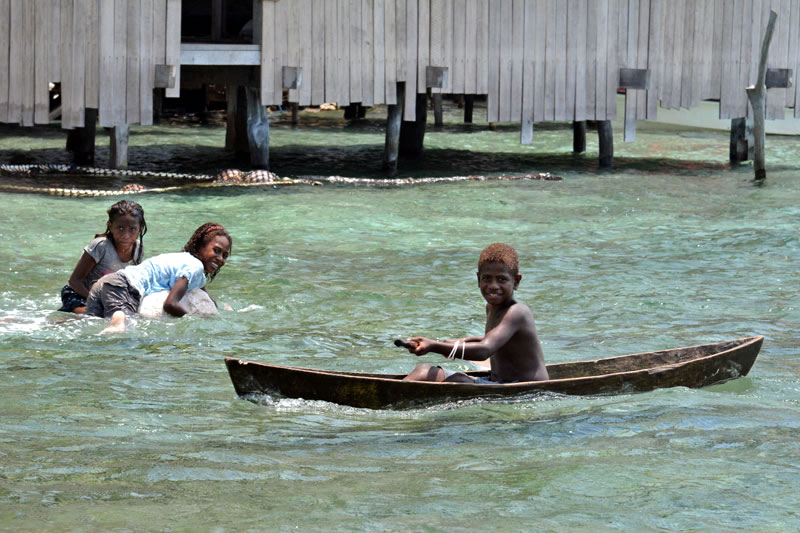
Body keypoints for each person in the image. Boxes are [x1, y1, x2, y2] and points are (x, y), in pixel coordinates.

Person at [399, 243, 548, 383]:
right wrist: (461, 342)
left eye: (502, 279)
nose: (493, 286)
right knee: (423, 371)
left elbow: (485, 350)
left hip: (523, 388)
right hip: (496, 381)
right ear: (478, 279)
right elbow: (493, 339)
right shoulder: (491, 308)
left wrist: (434, 346)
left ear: (516, 281)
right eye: (486, 278)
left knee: (440, 375)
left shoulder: (518, 312)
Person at [85, 223, 232, 333]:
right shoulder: (195, 267)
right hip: (126, 287)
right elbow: (170, 304)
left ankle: (62, 321)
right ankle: (119, 315)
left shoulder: (185, 261)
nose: (220, 259)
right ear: (200, 247)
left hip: (107, 283)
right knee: (125, 325)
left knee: (89, 322)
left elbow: (202, 289)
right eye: (216, 251)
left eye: (225, 255)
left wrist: (218, 308)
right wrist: (193, 319)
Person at [59, 200, 147, 314]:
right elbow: (74, 281)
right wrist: (97, 301)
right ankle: (61, 320)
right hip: (80, 294)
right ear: (110, 226)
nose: (126, 235)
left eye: (132, 229)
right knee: (95, 316)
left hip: (110, 297)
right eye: (120, 228)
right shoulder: (101, 246)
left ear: (140, 228)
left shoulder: (138, 249)